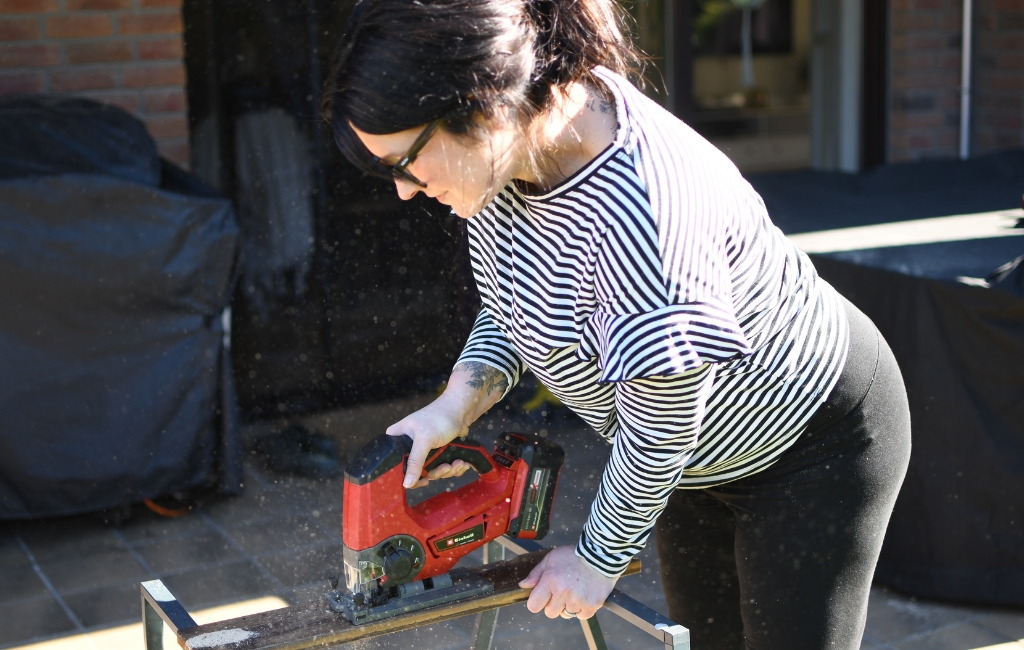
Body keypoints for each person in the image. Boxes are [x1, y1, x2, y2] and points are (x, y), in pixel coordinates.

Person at [322, 1, 912, 647]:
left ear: (483, 107)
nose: (402, 189)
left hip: (814, 445)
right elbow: (511, 302)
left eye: (406, 161)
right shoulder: (516, 142)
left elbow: (661, 429)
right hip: (691, 451)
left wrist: (596, 559)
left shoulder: (642, 216)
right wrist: (455, 407)